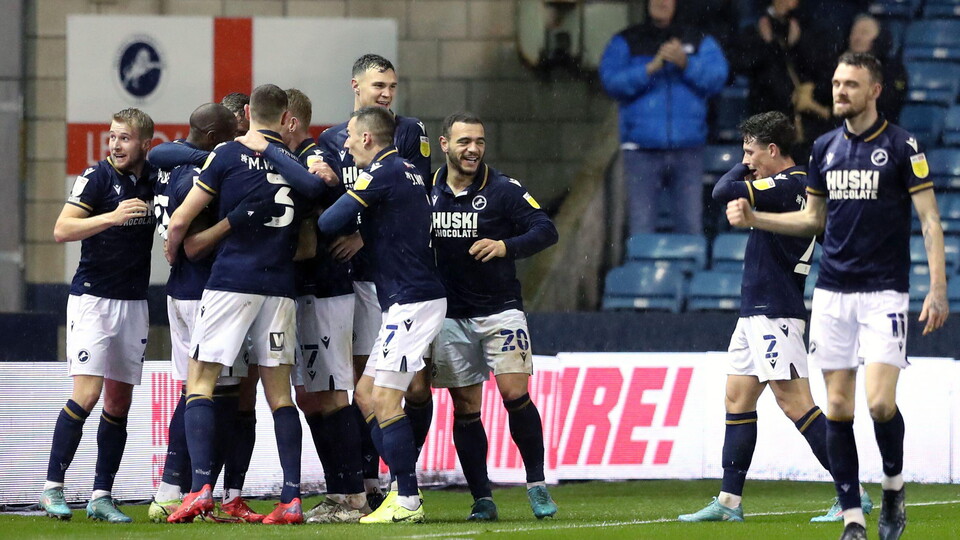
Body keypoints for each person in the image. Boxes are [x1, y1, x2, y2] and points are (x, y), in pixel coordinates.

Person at [726, 52, 949, 540]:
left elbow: (930, 220)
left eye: (851, 83)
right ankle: (853, 519)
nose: (840, 90)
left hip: (884, 292)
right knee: (841, 407)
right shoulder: (824, 148)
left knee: (881, 405)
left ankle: (891, 488)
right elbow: (813, 222)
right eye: (835, 82)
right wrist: (756, 218)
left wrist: (937, 286)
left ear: (875, 90)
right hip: (832, 295)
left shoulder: (902, 145)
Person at [677, 111, 871, 524]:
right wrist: (747, 161)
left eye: (750, 152)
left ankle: (852, 493)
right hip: (758, 309)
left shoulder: (790, 184)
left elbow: (723, 192)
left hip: (775, 309)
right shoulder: (790, 185)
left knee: (796, 403)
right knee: (738, 397)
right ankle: (729, 502)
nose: (746, 160)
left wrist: (741, 169)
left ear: (772, 150)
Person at [164, 84, 328, 525]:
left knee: (200, 382)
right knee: (278, 395)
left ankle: (200, 489)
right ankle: (291, 498)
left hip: (232, 281)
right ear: (284, 119)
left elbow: (182, 215)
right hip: (280, 287)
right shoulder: (296, 164)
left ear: (249, 112)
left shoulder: (228, 155)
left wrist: (172, 242)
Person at [318, 106, 446, 524]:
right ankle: (403, 488)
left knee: (388, 399)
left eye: (351, 136)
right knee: (368, 396)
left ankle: (406, 498)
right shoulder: (407, 169)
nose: (347, 142)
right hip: (408, 298)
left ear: (369, 138)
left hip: (412, 300)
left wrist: (341, 192)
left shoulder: (383, 172)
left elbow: (328, 221)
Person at [429, 112, 559, 521]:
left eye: (480, 142)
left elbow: (545, 229)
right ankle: (482, 498)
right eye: (465, 141)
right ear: (444, 144)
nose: (473, 149)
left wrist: (506, 246)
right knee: (466, 407)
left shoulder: (503, 190)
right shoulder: (425, 189)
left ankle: (536, 484)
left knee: (514, 395)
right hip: (448, 315)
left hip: (500, 311)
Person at [146, 103, 271, 524]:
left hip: (178, 290)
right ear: (219, 134)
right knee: (217, 395)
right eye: (234, 132)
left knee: (195, 390)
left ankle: (174, 489)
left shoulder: (178, 164)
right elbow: (195, 233)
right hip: (207, 293)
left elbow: (159, 156)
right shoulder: (207, 173)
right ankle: (194, 490)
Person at [40, 108, 157, 523]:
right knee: (87, 394)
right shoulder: (97, 177)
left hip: (134, 302)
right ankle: (53, 487)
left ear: (145, 143)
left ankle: (100, 495)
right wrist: (111, 216)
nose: (115, 145)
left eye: (124, 138)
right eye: (112, 137)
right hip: (93, 299)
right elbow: (61, 229)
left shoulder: (154, 177)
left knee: (119, 402)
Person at [280, 88, 368, 523]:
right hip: (303, 292)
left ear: (290, 121)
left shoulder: (317, 157)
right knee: (309, 397)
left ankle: (354, 495)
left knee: (333, 395)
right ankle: (339, 492)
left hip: (327, 289)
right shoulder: (295, 159)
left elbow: (329, 185)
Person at [599, 0, 728, 235]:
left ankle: (688, 272)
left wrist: (686, 63)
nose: (661, 2)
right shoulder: (627, 40)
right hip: (641, 151)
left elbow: (718, 78)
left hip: (688, 150)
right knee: (641, 228)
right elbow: (611, 82)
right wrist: (650, 68)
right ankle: (641, 273)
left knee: (689, 227)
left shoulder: (698, 40)